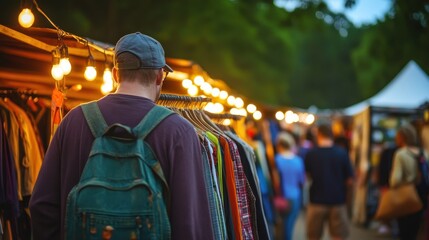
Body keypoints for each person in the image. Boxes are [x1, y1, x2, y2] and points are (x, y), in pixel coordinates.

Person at [29, 32, 214, 239]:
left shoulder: (74, 121)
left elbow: (41, 206)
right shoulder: (179, 132)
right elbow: (190, 224)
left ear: (116, 74)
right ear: (160, 76)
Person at [304, 123, 354, 240]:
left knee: (313, 236)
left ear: (319, 135)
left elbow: (307, 176)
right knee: (338, 235)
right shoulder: (342, 153)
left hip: (316, 201)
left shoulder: (311, 154)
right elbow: (350, 180)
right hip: (338, 201)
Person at [389, 124, 424, 240]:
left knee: (404, 232)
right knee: (416, 231)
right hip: (421, 196)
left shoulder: (401, 154)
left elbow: (395, 180)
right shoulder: (424, 153)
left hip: (406, 197)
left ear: (401, 137)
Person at [274, 132, 305, 240]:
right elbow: (302, 181)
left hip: (280, 197)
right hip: (295, 196)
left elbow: (275, 181)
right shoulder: (298, 160)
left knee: (281, 227)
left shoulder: (276, 160)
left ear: (279, 145)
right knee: (289, 226)